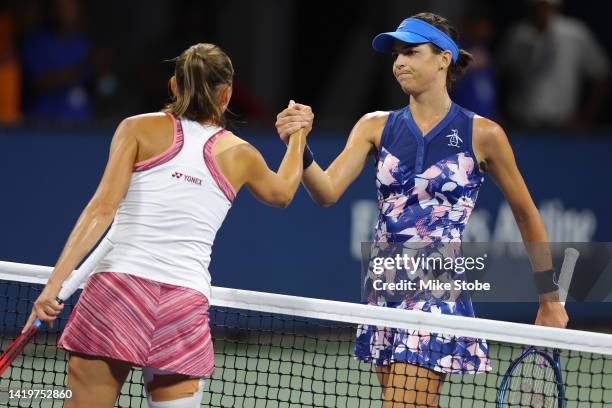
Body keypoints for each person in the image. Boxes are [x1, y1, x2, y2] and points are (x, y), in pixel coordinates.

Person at [276, 13, 568, 407]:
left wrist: (549, 300)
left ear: (443, 58)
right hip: (383, 287)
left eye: (411, 52)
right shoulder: (374, 126)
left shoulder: (483, 134)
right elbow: (326, 192)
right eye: (396, 54)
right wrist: (300, 144)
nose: (399, 62)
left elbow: (527, 215)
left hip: (435, 288)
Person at [23, 43, 312, 408]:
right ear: (227, 94)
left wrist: (54, 285)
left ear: (174, 86)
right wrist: (299, 134)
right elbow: (284, 192)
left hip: (116, 295)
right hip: (180, 307)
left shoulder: (136, 129)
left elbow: (101, 209)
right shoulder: (242, 154)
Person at [497, 0, 609, 129]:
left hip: (563, 126)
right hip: (521, 124)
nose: (543, 10)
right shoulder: (517, 34)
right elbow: (497, 73)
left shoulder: (575, 33)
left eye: (547, 6)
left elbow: (601, 75)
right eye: (540, 5)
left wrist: (585, 117)